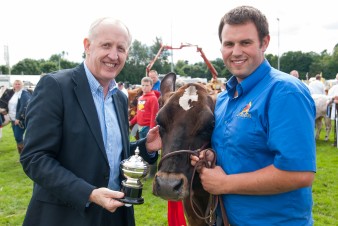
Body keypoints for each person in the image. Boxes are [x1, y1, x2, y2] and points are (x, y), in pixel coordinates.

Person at [20, 17, 161, 226]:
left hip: (115, 216)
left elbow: (108, 155)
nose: (113, 55)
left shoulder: (120, 98)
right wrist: (89, 193)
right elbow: (35, 158)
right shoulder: (56, 87)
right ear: (87, 46)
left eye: (121, 48)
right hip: (66, 217)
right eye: (106, 45)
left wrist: (145, 146)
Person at [191, 6, 316, 225]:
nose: (236, 52)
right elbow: (242, 150)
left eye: (245, 43)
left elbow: (299, 174)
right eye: (229, 44)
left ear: (264, 43)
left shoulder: (285, 92)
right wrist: (213, 157)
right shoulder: (224, 99)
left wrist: (225, 183)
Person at [7, 80, 31, 154]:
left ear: (22, 85)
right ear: (13, 85)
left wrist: (18, 118)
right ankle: (22, 155)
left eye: (19, 84)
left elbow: (24, 106)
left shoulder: (24, 94)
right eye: (15, 84)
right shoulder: (15, 93)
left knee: (18, 136)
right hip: (13, 119)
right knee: (17, 137)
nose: (17, 85)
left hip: (20, 119)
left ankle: (24, 154)